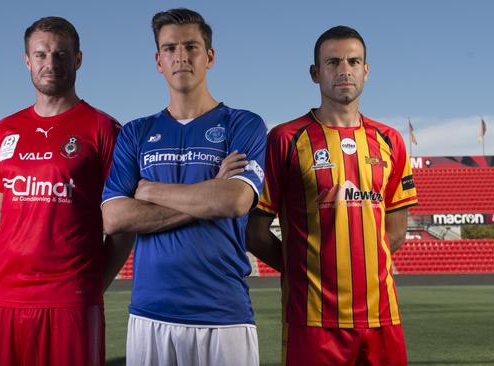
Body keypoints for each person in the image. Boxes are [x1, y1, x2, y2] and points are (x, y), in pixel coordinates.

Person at [101, 8, 267, 366]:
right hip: (150, 314)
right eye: (170, 48)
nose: (181, 56)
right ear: (158, 61)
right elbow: (114, 217)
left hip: (224, 314)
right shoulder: (136, 132)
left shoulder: (244, 124)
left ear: (209, 56)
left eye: (191, 46)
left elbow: (235, 200)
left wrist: (147, 191)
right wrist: (209, 195)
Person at [247, 25, 418, 366]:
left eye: (354, 62)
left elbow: (396, 231)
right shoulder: (285, 139)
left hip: (382, 317)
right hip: (313, 320)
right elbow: (254, 232)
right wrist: (303, 270)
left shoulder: (391, 140)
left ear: (366, 72)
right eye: (333, 62)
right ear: (315, 73)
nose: (345, 70)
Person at [0, 16, 132, 366]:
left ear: (77, 59)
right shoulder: (3, 131)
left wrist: (92, 286)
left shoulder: (104, 128)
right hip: (4, 298)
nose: (51, 63)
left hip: (71, 300)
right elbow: (1, 219)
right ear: (27, 60)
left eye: (61, 54)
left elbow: (124, 227)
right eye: (41, 54)